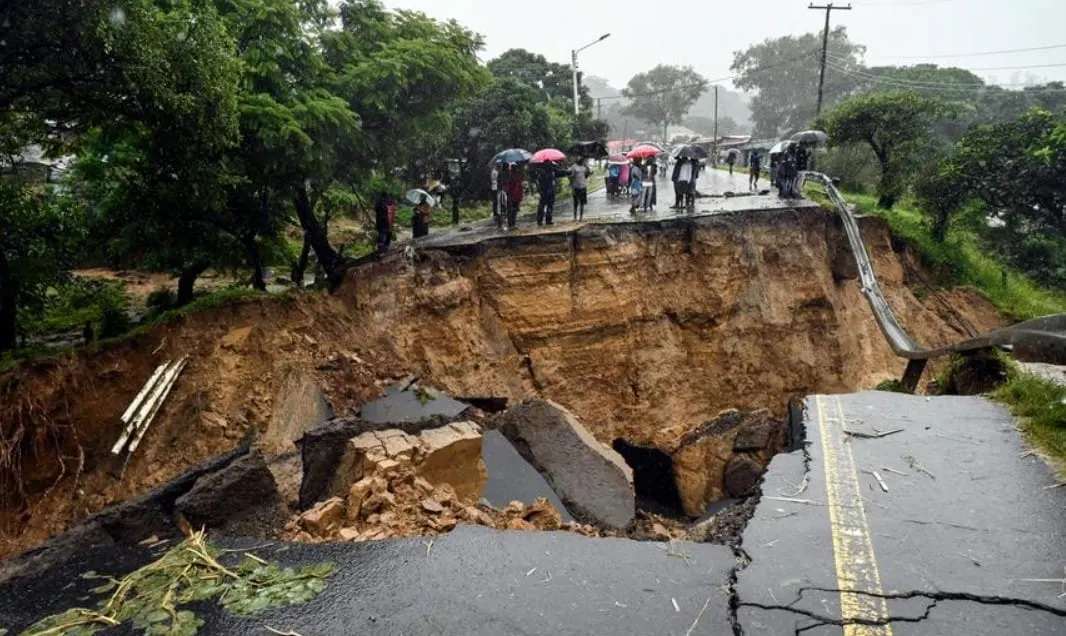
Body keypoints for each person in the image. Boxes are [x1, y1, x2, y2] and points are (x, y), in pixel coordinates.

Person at [503, 163, 524, 230]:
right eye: (515, 168)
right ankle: (511, 225)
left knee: (514, 210)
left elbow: (520, 186)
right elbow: (507, 187)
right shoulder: (509, 177)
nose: (516, 169)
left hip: (516, 196)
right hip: (511, 196)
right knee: (511, 210)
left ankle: (513, 224)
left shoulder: (517, 176)